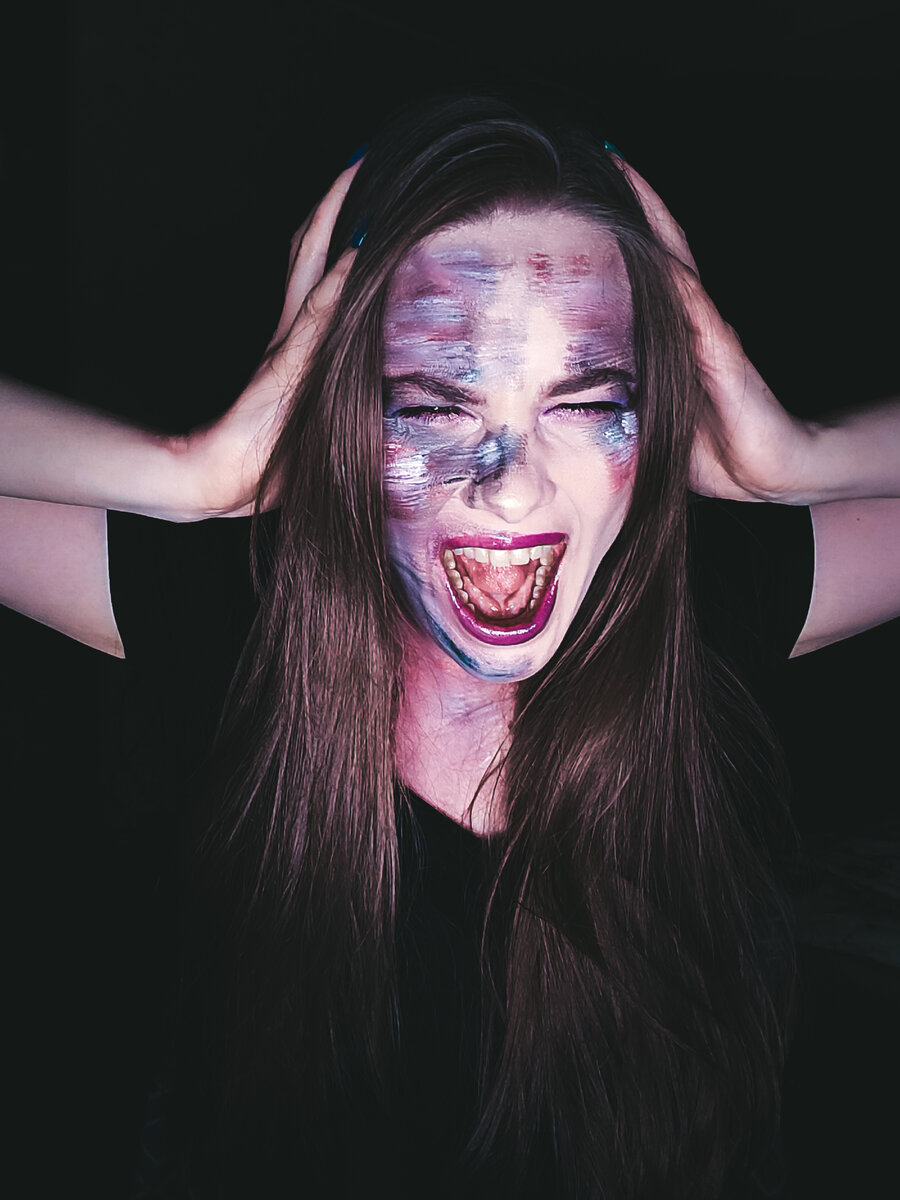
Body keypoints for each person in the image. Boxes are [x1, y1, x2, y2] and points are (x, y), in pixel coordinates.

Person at [2, 98, 898, 1198]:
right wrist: (189, 471)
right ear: (340, 414)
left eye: (587, 403)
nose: (510, 484)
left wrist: (801, 457)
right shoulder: (237, 614)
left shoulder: (701, 607)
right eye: (430, 408)